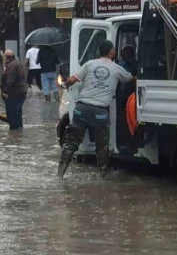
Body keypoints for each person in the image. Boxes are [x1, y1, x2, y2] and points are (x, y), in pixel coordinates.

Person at [57, 40, 134, 178]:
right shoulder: (117, 68)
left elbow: (72, 80)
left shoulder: (89, 64)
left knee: (71, 143)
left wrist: (63, 85)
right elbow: (130, 80)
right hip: (100, 112)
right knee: (102, 147)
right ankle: (103, 175)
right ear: (111, 52)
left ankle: (60, 175)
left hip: (81, 109)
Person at [1, 50, 27, 130]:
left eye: (4, 57)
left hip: (13, 94)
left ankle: (13, 135)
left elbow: (10, 80)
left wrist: (5, 92)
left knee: (12, 115)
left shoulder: (11, 66)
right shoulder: (17, 63)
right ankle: (18, 133)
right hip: (21, 93)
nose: (3, 59)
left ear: (7, 58)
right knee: (17, 114)